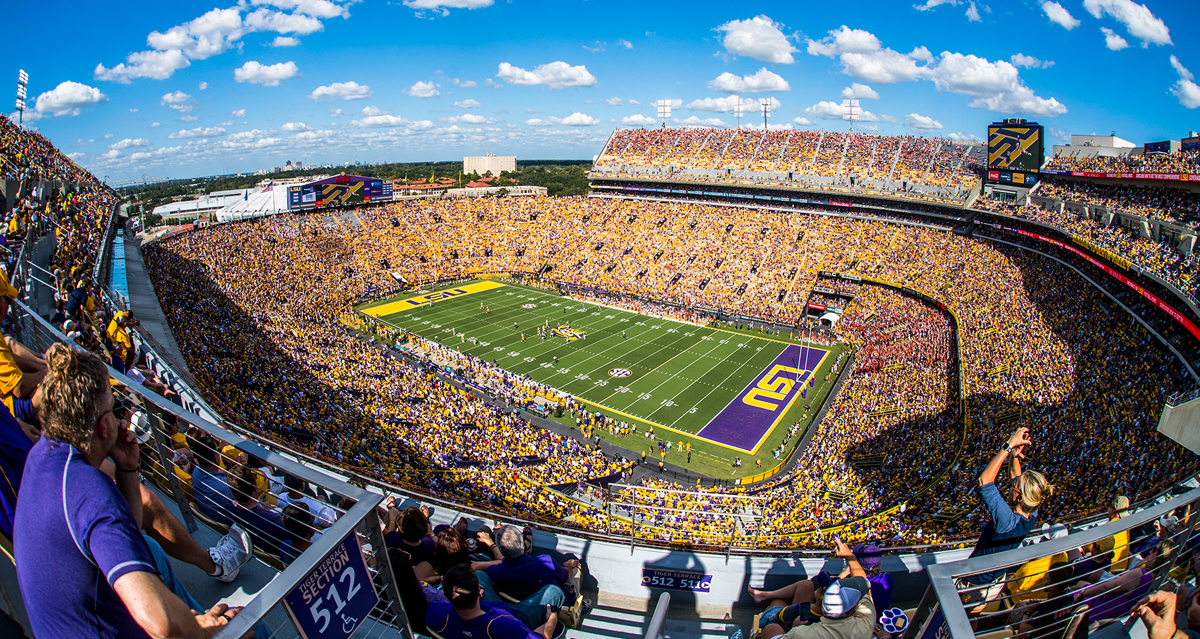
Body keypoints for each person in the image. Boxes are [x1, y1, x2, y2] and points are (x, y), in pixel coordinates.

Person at [13, 343, 246, 638]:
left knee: (153, 552)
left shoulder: (42, 455)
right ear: (103, 427)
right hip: (120, 627)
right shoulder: (89, 491)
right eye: (112, 409)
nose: (121, 419)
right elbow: (160, 623)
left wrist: (127, 470)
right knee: (251, 626)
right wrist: (206, 632)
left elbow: (127, 536)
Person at [959, 427, 1054, 604]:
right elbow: (1015, 476)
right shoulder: (1032, 511)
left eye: (1013, 487)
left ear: (1018, 497)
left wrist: (1008, 446)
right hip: (994, 582)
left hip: (975, 584)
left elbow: (984, 481)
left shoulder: (1006, 521)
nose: (1010, 486)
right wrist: (1014, 457)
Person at [758, 539, 876, 639]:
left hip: (791, 624)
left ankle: (767, 597)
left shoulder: (801, 633)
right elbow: (866, 589)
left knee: (772, 627)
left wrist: (794, 628)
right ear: (852, 611)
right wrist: (850, 557)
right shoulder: (863, 628)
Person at [482, 525, 578, 630]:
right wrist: (567, 566)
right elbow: (565, 576)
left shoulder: (494, 572)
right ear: (522, 543)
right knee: (576, 571)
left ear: (501, 550)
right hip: (551, 608)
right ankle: (581, 606)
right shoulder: (546, 562)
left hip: (514, 605)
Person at [427, 564, 557, 639]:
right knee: (553, 592)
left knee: (480, 575)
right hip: (519, 620)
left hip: (487, 609)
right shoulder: (508, 626)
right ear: (479, 592)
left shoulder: (434, 612)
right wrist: (550, 622)